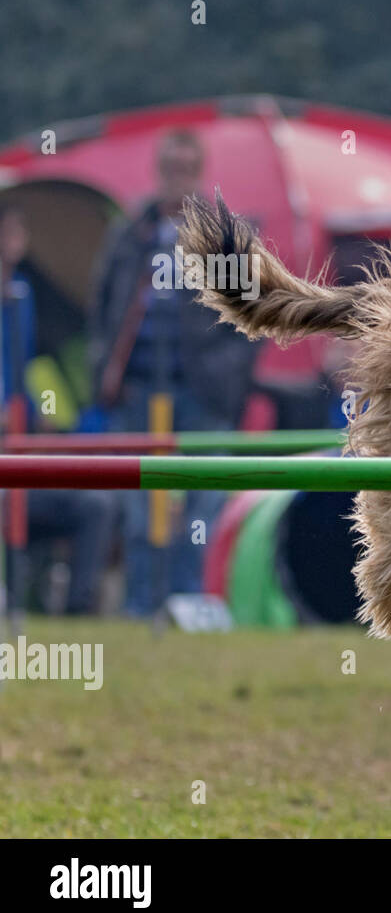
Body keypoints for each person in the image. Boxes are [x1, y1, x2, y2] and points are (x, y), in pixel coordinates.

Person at [88, 129, 258, 616]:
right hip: (139, 390)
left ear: (199, 173)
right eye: (170, 169)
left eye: (187, 169)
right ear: (158, 171)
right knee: (141, 511)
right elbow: (101, 308)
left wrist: (226, 378)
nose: (177, 179)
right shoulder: (130, 232)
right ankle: (141, 612)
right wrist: (104, 367)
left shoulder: (224, 235)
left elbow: (249, 320)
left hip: (204, 394)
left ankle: (190, 610)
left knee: (201, 510)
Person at [0, 206, 115, 616]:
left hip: (22, 459)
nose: (16, 239)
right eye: (9, 230)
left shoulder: (23, 297)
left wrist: (45, 421)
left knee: (96, 505)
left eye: (16, 230)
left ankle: (78, 615)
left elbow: (27, 387)